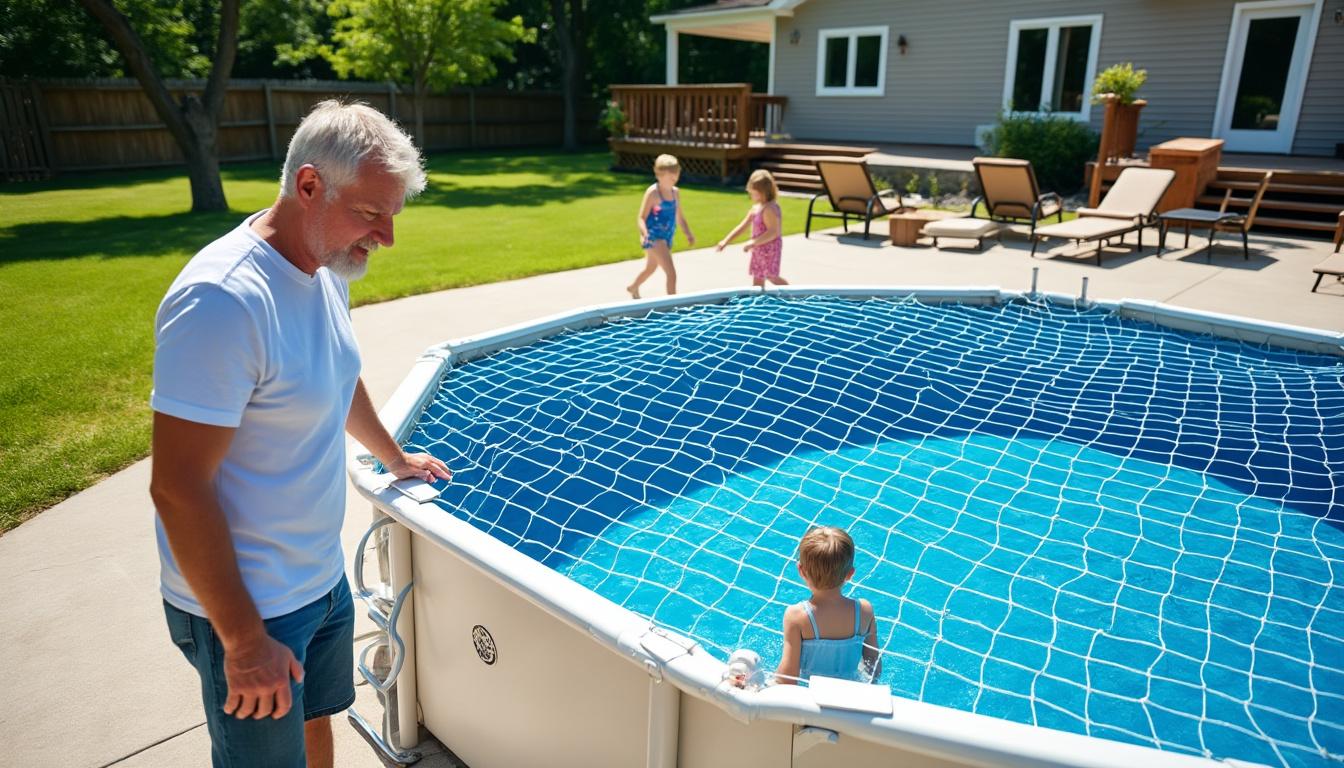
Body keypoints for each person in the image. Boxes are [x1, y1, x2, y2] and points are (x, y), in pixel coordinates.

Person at [149, 99, 451, 768]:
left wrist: (393, 457)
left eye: (392, 216)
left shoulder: (322, 268)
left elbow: (338, 375)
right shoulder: (222, 301)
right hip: (248, 604)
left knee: (319, 723)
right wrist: (244, 640)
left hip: (317, 578)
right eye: (372, 214)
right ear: (309, 186)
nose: (387, 237)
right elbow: (177, 488)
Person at [775, 526, 881, 685]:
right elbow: (874, 665)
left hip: (812, 696)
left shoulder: (797, 616)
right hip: (851, 691)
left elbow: (788, 678)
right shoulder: (864, 611)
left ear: (801, 571)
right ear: (850, 574)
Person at [627, 154, 695, 299]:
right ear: (659, 174)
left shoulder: (675, 192)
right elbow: (641, 217)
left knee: (650, 268)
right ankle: (673, 304)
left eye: (676, 174)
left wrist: (688, 233)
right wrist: (644, 233)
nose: (674, 178)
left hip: (666, 236)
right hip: (653, 236)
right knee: (671, 272)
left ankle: (633, 287)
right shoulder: (653, 192)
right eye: (670, 175)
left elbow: (679, 216)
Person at [715, 169, 789, 289]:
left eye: (753, 193)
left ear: (763, 192)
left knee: (771, 276)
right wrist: (726, 241)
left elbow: (773, 232)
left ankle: (793, 295)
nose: (751, 195)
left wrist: (752, 242)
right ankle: (758, 304)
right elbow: (742, 226)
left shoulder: (770, 209)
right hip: (759, 249)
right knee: (758, 277)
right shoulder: (756, 208)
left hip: (770, 250)